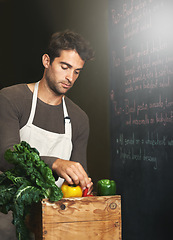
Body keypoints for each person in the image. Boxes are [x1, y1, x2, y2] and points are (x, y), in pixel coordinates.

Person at [0, 30, 94, 239]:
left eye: (77, 71)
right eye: (65, 67)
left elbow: (76, 183)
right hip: (8, 207)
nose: (70, 77)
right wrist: (55, 163)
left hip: (53, 212)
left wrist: (83, 183)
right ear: (46, 61)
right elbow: (6, 157)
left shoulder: (79, 119)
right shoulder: (11, 98)